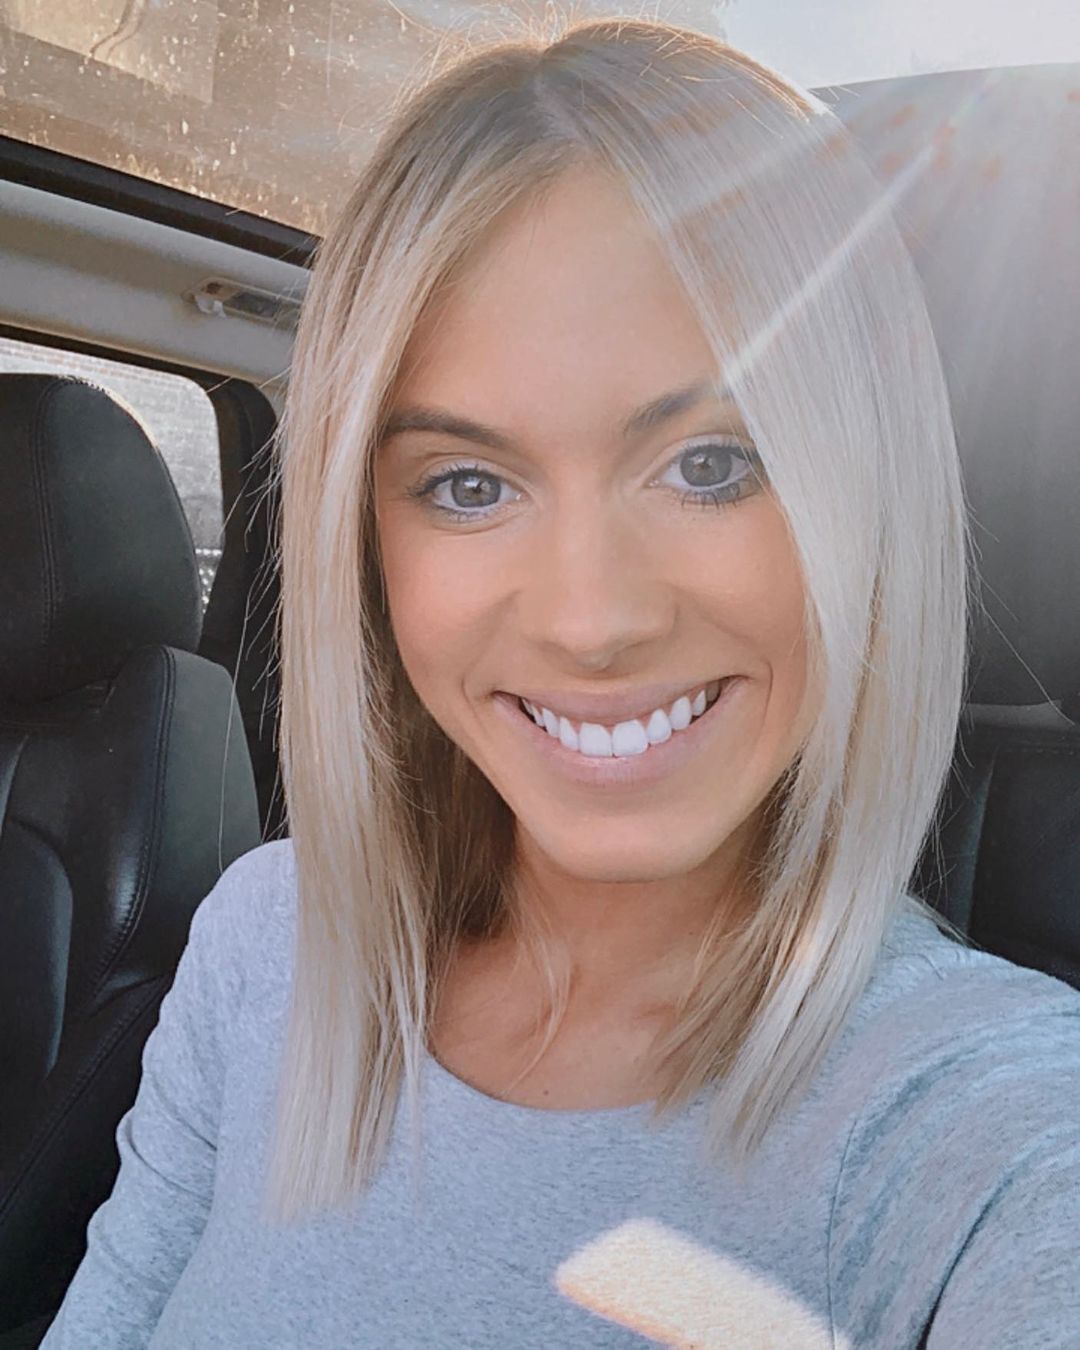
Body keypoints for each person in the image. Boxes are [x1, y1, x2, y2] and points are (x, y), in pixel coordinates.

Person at [41, 16, 1080, 1349]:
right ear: (367, 544)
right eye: (469, 486)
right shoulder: (267, 939)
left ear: (865, 494)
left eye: (712, 465)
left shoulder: (998, 1132)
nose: (591, 621)